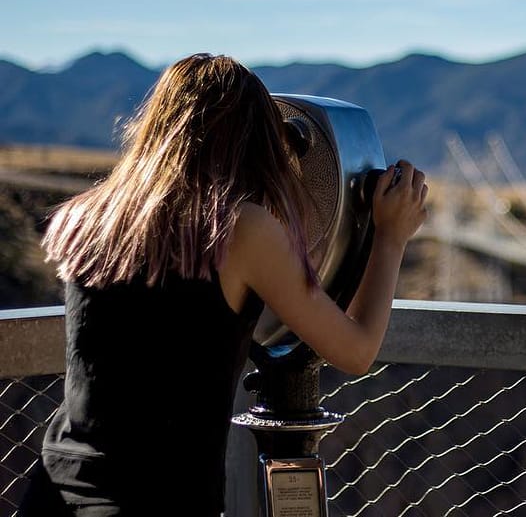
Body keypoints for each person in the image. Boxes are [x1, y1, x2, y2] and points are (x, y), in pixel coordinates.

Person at [20, 53, 427, 516]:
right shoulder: (240, 229)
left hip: (54, 490)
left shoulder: (90, 215)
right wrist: (391, 237)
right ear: (253, 142)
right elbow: (356, 350)